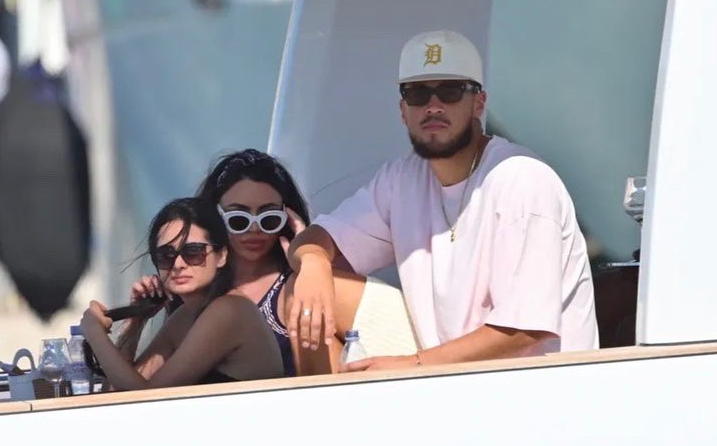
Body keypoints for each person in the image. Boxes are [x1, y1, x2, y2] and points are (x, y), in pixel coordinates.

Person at [287, 30, 599, 371]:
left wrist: (413, 365)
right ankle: (326, 402)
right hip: (443, 374)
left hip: (535, 387)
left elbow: (525, 330)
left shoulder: (522, 178)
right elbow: (316, 239)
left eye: (450, 91)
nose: (433, 106)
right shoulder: (402, 178)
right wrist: (314, 262)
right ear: (403, 109)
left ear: (479, 102)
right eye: (418, 93)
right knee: (303, 289)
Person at [130, 149, 365, 376]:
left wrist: (307, 255)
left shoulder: (299, 286)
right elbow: (129, 392)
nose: (254, 229)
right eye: (238, 219)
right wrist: (135, 321)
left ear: (287, 218)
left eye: (269, 218)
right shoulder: (194, 292)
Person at [81, 197, 284, 390]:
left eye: (193, 252)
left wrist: (95, 333)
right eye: (166, 255)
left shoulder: (229, 310)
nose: (178, 264)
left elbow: (145, 398)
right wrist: (135, 322)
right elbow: (118, 391)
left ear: (221, 256)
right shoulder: (185, 316)